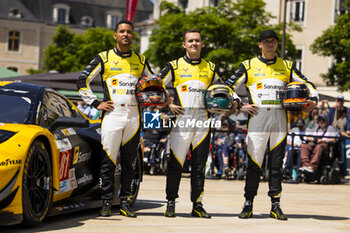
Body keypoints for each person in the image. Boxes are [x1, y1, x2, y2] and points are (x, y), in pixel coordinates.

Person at [225, 29, 318, 220]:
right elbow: (227, 86)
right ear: (260, 44)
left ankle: (276, 205)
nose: (270, 44)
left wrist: (314, 100)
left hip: (279, 118)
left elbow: (308, 84)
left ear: (277, 44)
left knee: (277, 165)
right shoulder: (248, 65)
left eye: (273, 41)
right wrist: (240, 105)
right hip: (257, 117)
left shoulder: (288, 65)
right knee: (254, 164)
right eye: (266, 41)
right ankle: (248, 203)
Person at [76, 20, 154, 217]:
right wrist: (95, 103)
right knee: (108, 161)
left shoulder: (141, 59)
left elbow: (155, 83)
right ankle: (106, 202)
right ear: (115, 35)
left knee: (130, 162)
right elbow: (81, 80)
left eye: (129, 31)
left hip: (134, 117)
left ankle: (126, 202)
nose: (125, 34)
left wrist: (158, 97)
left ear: (133, 35)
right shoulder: (104, 57)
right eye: (122, 31)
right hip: (112, 115)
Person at [159, 29, 238, 218]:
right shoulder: (173, 65)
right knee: (175, 164)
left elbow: (225, 87)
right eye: (190, 41)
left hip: (203, 120)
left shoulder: (210, 67)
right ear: (184, 44)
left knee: (199, 166)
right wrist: (168, 104)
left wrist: (236, 101)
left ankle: (197, 204)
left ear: (202, 44)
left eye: (197, 41)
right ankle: (171, 202)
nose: (194, 43)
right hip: (182, 120)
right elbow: (155, 85)